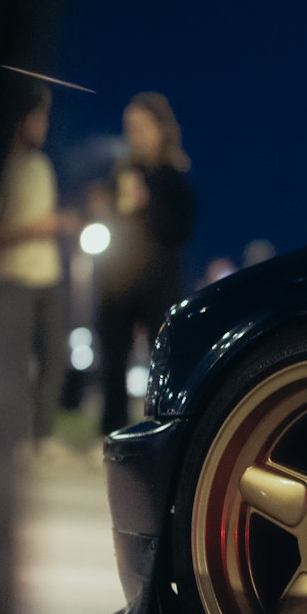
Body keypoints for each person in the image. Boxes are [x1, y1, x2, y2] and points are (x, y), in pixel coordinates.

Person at [0, 79, 78, 459]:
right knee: (11, 365)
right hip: (12, 278)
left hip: (47, 277)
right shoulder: (3, 166)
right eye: (39, 117)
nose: (43, 126)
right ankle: (4, 439)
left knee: (54, 358)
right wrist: (42, 226)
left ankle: (42, 438)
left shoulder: (42, 165)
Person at [96, 91, 195, 434]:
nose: (134, 135)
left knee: (163, 359)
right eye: (129, 128)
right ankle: (111, 434)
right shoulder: (121, 173)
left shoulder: (174, 175)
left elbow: (182, 229)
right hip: (118, 279)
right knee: (113, 359)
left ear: (160, 129)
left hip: (159, 279)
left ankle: (162, 432)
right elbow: (108, 221)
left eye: (141, 127)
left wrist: (148, 201)